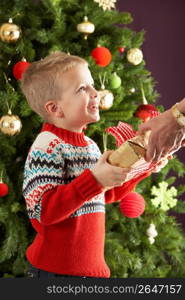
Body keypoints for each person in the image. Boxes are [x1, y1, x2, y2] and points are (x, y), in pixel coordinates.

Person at [21, 52, 162, 279]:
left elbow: (105, 194)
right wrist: (95, 179)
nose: (96, 93)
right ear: (55, 108)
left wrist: (140, 170)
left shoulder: (90, 146)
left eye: (92, 85)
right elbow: (43, 211)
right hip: (56, 272)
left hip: (92, 270)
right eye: (82, 89)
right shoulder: (46, 146)